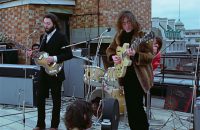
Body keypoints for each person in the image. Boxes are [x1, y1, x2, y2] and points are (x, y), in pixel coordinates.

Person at [106, 10, 154, 130]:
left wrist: (135, 55)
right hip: (125, 76)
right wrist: (113, 57)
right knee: (130, 107)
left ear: (133, 22)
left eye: (128, 22)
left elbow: (150, 56)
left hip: (139, 77)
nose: (127, 25)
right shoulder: (119, 36)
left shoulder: (142, 36)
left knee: (137, 106)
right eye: (124, 23)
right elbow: (109, 50)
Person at [29, 13, 73, 130]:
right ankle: (40, 124)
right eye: (45, 23)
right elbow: (42, 56)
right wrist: (33, 54)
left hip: (55, 72)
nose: (46, 25)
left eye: (48, 23)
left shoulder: (61, 36)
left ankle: (54, 126)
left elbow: (69, 54)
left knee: (56, 100)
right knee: (40, 98)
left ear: (54, 24)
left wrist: (54, 58)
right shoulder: (43, 37)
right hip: (44, 72)